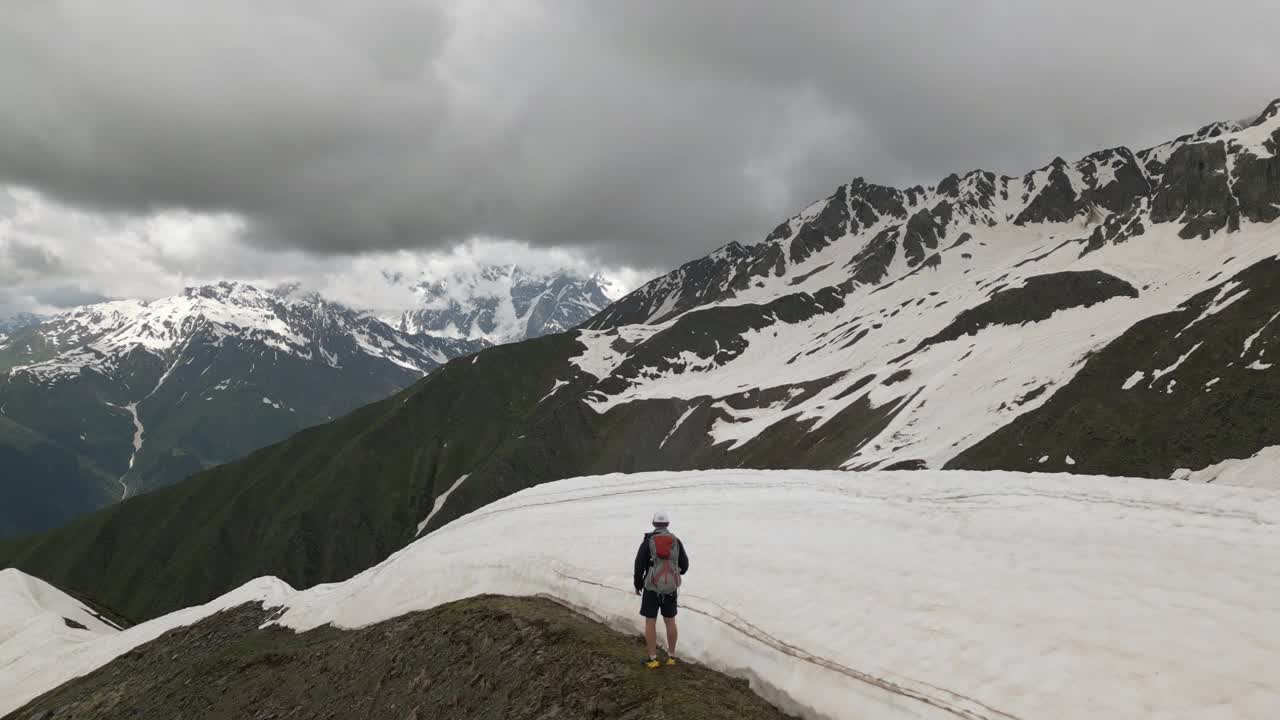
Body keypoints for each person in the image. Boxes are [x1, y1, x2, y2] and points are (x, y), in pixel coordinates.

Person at [633, 510, 689, 668]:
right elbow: (684, 565)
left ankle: (653, 659)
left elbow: (639, 565)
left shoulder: (648, 541)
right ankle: (671, 657)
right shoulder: (676, 541)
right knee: (670, 621)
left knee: (650, 622)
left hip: (651, 588)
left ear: (653, 524)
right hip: (670, 588)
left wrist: (638, 584)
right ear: (668, 524)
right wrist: (674, 573)